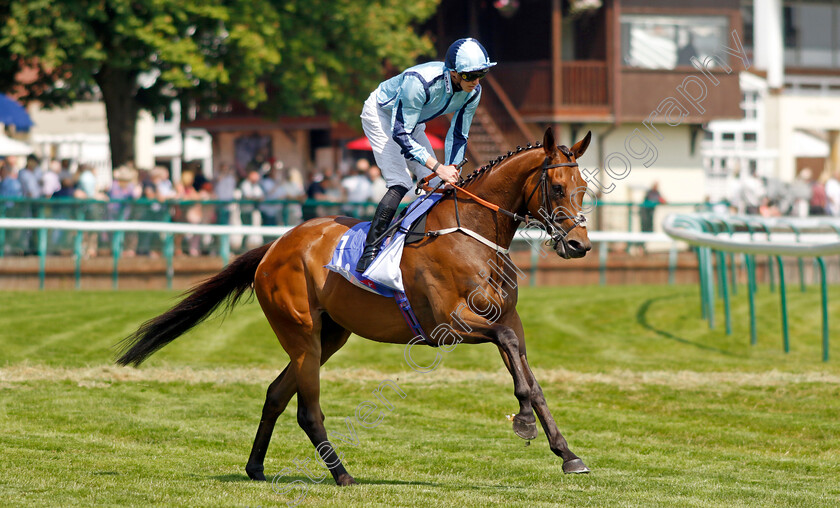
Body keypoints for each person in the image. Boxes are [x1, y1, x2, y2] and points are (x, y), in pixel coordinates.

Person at [355, 38, 496, 272]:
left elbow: (459, 135)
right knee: (400, 182)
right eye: (470, 76)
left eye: (482, 73)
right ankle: (370, 251)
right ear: (453, 73)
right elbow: (401, 134)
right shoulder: (418, 82)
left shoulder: (473, 92)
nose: (476, 81)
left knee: (441, 185)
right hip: (381, 115)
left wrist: (451, 170)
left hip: (412, 122)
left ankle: (417, 246)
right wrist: (438, 167)